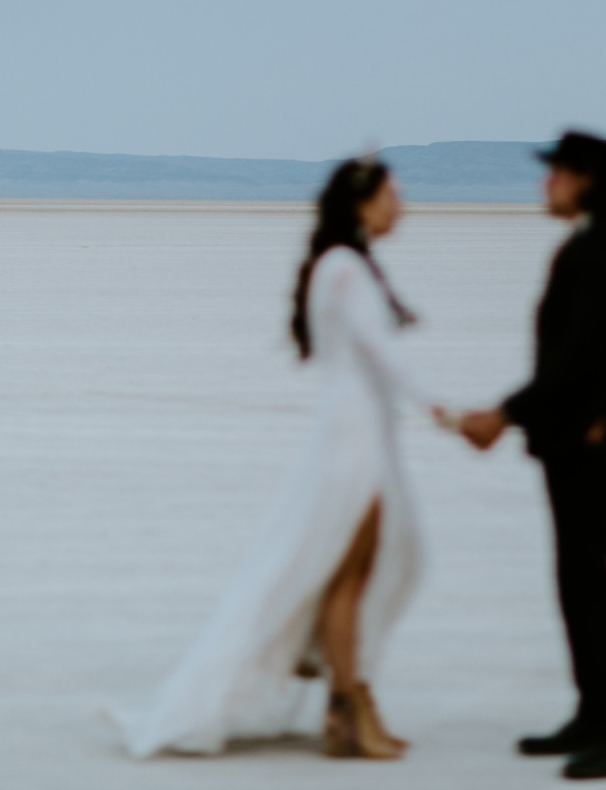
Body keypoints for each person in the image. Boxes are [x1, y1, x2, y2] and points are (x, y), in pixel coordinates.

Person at [109, 157, 441, 760]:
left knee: (353, 574)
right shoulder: (343, 267)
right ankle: (349, 710)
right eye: (394, 194)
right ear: (362, 202)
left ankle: (353, 705)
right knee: (349, 575)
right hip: (356, 435)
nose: (402, 206)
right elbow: (378, 351)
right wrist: (442, 409)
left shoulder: (342, 264)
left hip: (359, 428)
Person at [459, 131, 606, 780]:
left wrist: (504, 414)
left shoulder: (605, 252)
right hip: (575, 437)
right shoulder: (598, 245)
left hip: (589, 440)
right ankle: (596, 713)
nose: (546, 185)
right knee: (578, 579)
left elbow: (578, 361)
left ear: (586, 180)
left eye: (557, 174)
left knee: (590, 582)